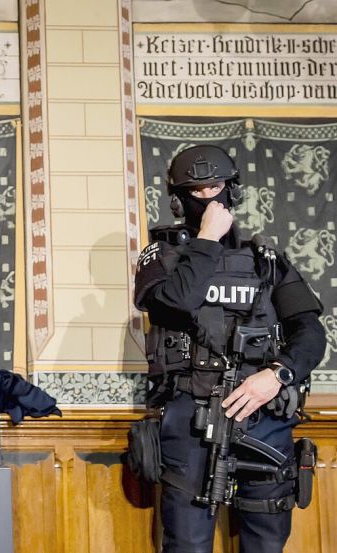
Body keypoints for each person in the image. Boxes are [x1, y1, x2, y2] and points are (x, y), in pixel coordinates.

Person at [134, 145, 325, 553]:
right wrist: (206, 240)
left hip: (264, 411)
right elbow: (177, 302)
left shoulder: (265, 260)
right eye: (196, 190)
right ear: (177, 198)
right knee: (187, 543)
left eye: (216, 186)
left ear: (232, 190)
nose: (208, 197)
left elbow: (310, 333)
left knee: (267, 541)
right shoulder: (161, 256)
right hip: (191, 415)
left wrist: (277, 375)